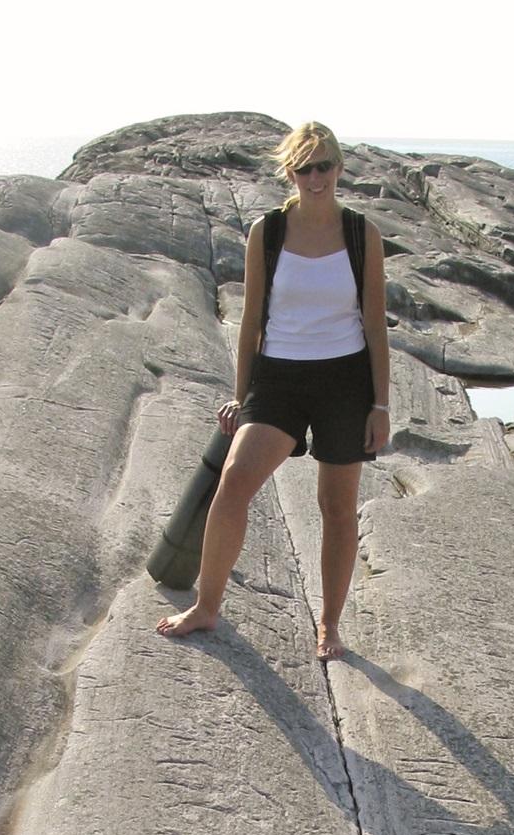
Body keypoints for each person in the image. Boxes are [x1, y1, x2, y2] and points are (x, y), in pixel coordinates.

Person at [156, 120, 391, 661]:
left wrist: (380, 404)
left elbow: (375, 325)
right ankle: (206, 606)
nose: (315, 178)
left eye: (324, 166)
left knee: (337, 506)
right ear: (290, 172)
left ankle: (329, 626)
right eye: (304, 168)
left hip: (345, 380)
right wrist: (242, 397)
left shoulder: (361, 234)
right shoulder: (269, 231)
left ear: (339, 167)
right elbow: (250, 322)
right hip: (279, 377)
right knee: (235, 481)